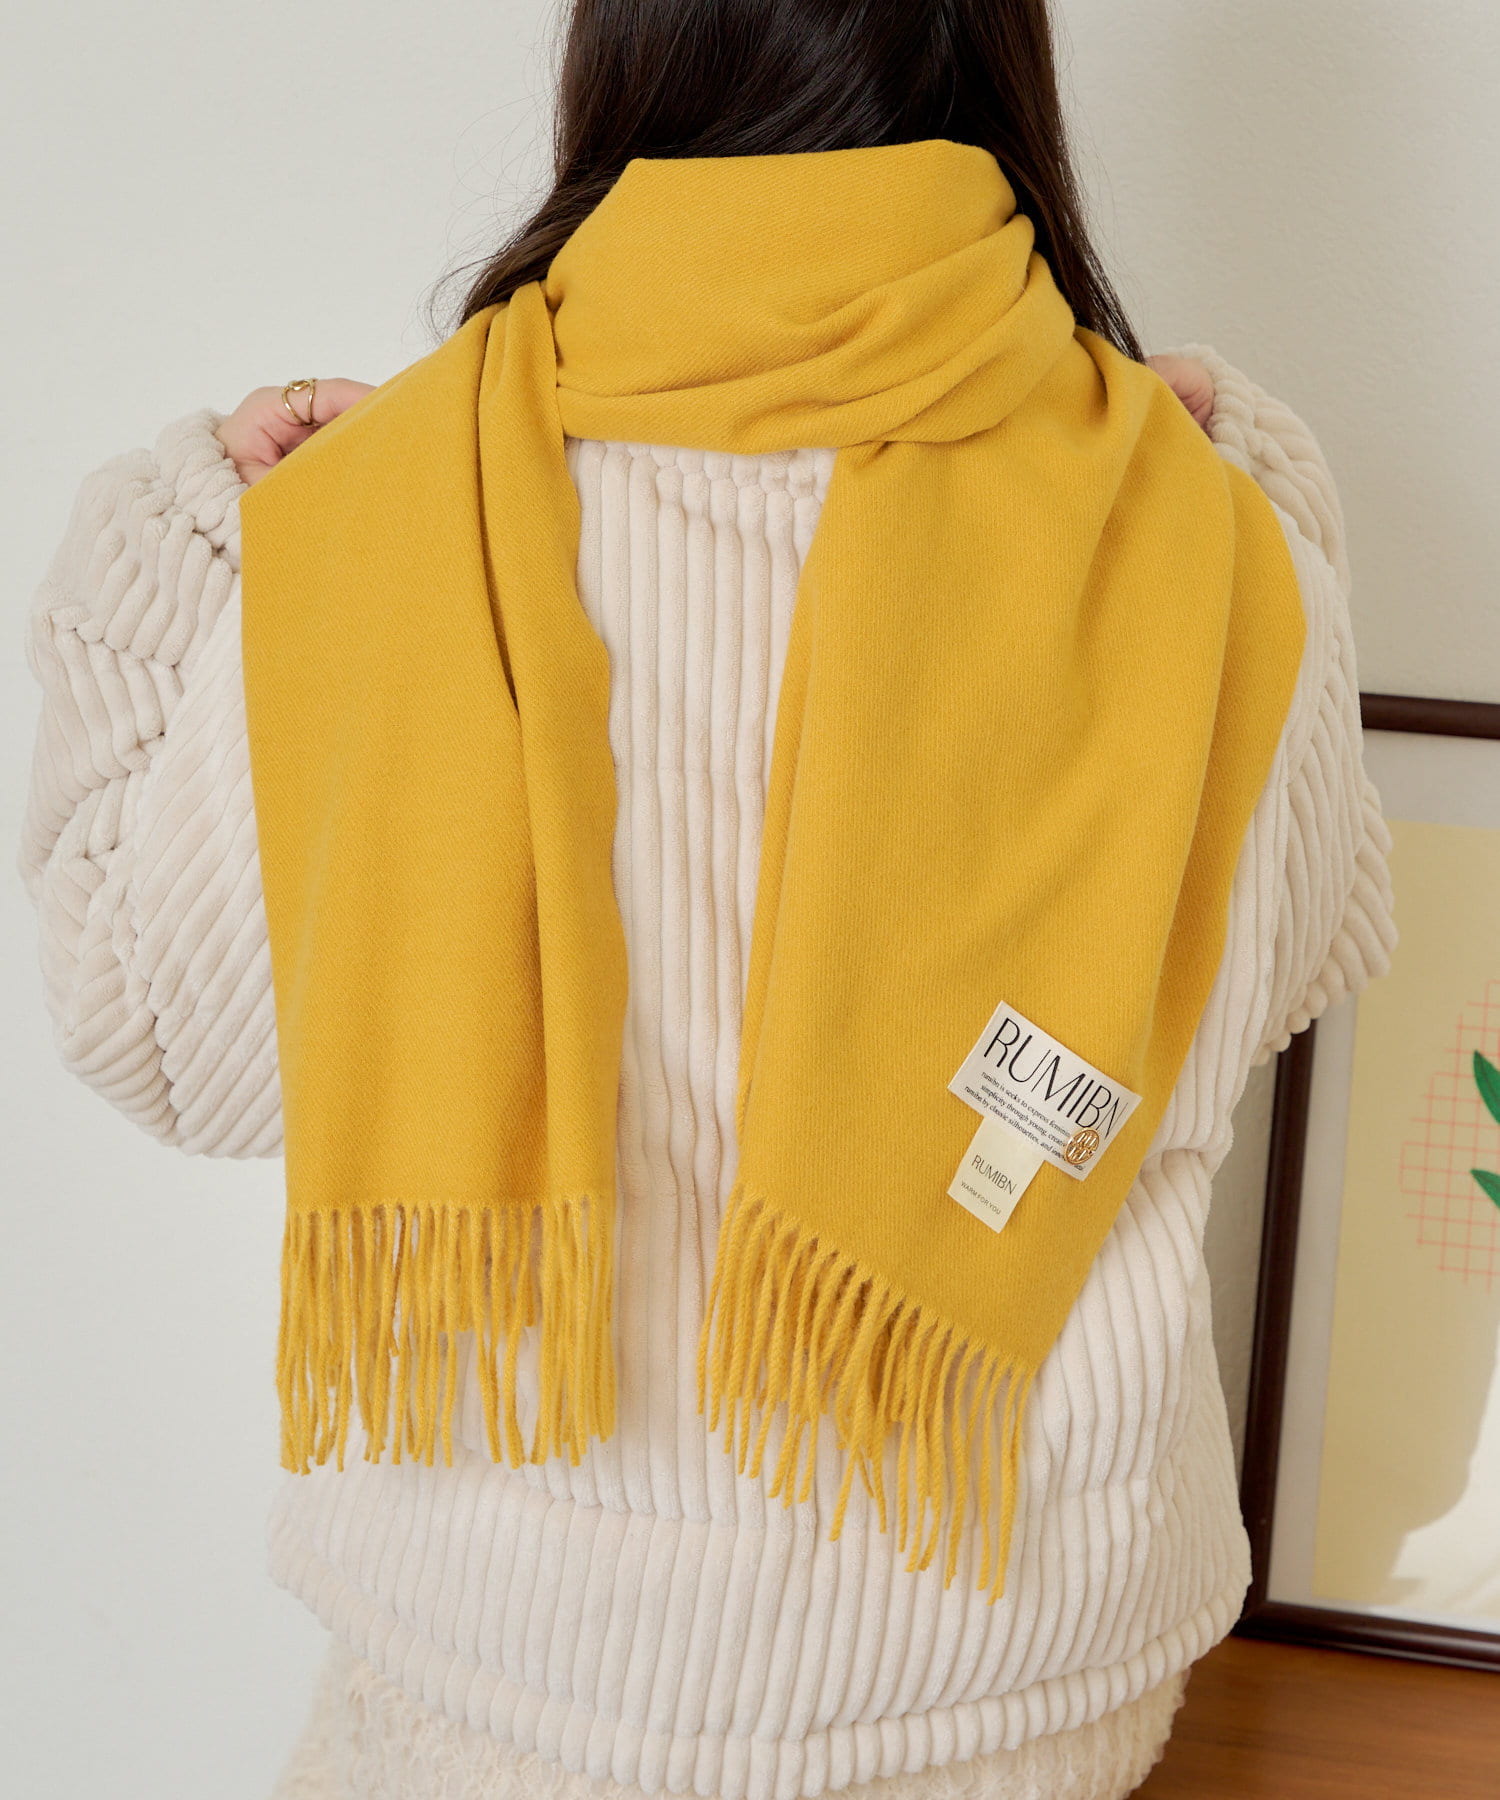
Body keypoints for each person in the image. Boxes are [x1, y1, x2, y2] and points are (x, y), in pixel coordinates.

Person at [17, 3, 1397, 1797]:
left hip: (495, 1706)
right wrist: (1254, 495)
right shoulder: (1198, 547)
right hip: (1019, 1704)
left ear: (624, 51)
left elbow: (149, 1025)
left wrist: (193, 525)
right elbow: (1293, 959)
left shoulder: (385, 535)